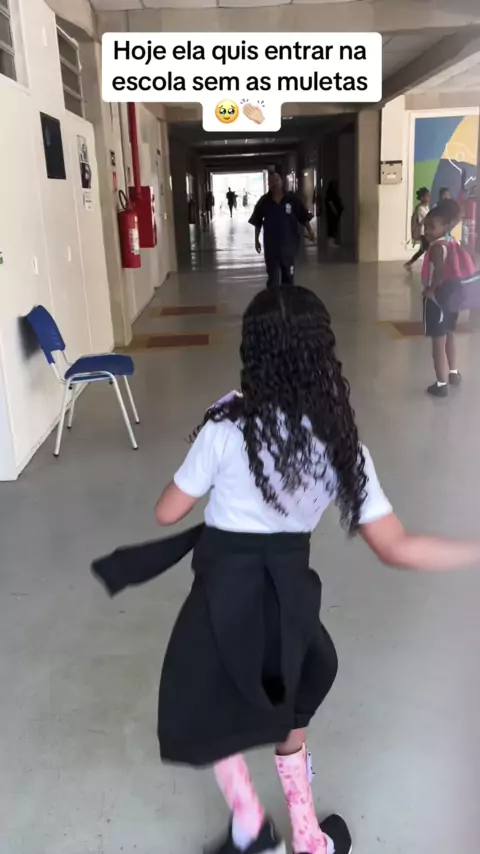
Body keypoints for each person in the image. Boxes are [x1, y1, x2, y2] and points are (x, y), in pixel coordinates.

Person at [94, 286, 480, 854]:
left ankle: (250, 827)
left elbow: (166, 511)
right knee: (291, 701)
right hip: (288, 603)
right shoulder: (339, 447)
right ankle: (307, 838)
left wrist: (210, 437)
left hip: (220, 601)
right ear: (323, 355)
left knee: (211, 703)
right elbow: (396, 547)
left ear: (251, 354)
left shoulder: (225, 429)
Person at [421, 199, 476, 397]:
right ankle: (453, 373)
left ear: (445, 226)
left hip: (439, 298)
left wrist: (431, 289)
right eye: (425, 226)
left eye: (432, 227)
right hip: (453, 296)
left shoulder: (437, 247)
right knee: (450, 334)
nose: (427, 231)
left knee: (438, 341)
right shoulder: (453, 241)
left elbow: (439, 271)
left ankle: (441, 383)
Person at [249, 171, 314, 288]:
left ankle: (287, 298)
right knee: (273, 279)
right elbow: (257, 221)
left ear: (281, 182)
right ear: (268, 184)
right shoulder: (264, 201)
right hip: (271, 247)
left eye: (276, 180)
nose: (274, 184)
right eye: (271, 182)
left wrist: (310, 231)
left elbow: (303, 217)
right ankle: (273, 298)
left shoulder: (291, 200)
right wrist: (256, 240)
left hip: (289, 246)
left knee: (288, 278)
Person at [405, 187, 430, 268]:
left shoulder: (426, 207)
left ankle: (410, 262)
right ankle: (429, 265)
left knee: (422, 250)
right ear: (422, 198)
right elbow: (426, 218)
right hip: (424, 232)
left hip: (427, 231)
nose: (428, 197)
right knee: (428, 250)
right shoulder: (420, 208)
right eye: (427, 196)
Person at [324, 181, 343, 248]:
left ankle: (332, 242)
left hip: (333, 213)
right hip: (332, 214)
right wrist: (335, 211)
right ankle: (331, 242)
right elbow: (330, 202)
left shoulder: (332, 192)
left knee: (333, 227)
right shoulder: (330, 193)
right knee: (332, 227)